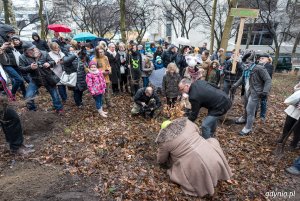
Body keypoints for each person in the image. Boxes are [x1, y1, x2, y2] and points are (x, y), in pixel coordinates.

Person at [156, 117, 232, 197]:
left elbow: (161, 159)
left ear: (163, 131)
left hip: (192, 164)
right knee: (212, 141)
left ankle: (201, 187)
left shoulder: (164, 142)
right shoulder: (188, 124)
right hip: (208, 152)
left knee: (174, 164)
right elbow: (198, 131)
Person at [231, 52, 272, 135]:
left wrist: (265, 91)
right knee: (246, 106)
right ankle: (244, 118)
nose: (245, 65)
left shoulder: (259, 68)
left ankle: (248, 128)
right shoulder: (246, 69)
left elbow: (268, 80)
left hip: (256, 92)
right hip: (247, 90)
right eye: (244, 63)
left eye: (247, 63)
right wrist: (235, 85)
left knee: (250, 109)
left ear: (252, 62)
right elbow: (242, 78)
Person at [19, 42, 63, 114]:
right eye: (31, 49)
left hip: (47, 77)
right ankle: (32, 111)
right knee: (28, 96)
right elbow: (21, 69)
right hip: (35, 79)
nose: (34, 50)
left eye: (34, 48)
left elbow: (52, 61)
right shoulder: (22, 57)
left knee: (55, 95)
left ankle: (59, 109)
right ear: (26, 50)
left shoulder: (43, 53)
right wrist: (30, 67)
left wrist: (49, 63)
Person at [0, 24, 27, 99]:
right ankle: (12, 94)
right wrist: (2, 47)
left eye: (12, 34)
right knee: (19, 79)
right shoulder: (0, 39)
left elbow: (13, 50)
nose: (12, 35)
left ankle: (26, 95)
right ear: (5, 32)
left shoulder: (8, 39)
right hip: (6, 64)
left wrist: (12, 46)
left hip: (14, 63)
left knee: (21, 81)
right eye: (10, 33)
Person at [276, 81, 300, 150]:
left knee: (297, 129)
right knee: (287, 125)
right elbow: (295, 93)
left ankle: (294, 144)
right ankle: (283, 138)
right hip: (293, 109)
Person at [259, 56, 274, 121]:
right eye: (260, 58)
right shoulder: (259, 65)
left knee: (263, 101)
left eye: (263, 58)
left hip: (265, 87)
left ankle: (262, 116)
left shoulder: (269, 66)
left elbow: (267, 75)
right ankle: (254, 114)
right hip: (258, 86)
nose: (261, 59)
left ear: (267, 59)